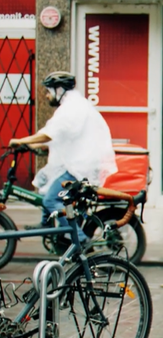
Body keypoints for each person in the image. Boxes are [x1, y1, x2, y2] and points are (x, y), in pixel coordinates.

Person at [9, 71, 116, 244]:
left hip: (81, 167)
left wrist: (21, 140)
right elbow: (58, 137)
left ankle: (81, 240)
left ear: (59, 90)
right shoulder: (73, 105)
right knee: (50, 183)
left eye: (49, 90)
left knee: (52, 199)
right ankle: (46, 224)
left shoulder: (71, 108)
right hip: (79, 163)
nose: (46, 95)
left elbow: (49, 134)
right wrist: (30, 145)